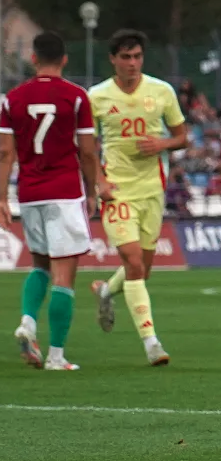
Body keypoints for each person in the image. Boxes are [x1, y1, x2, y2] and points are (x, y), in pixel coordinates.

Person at [88, 29, 189, 366]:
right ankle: (152, 343)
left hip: (152, 191)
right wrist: (99, 182)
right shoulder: (97, 97)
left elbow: (181, 136)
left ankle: (106, 291)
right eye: (126, 57)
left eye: (137, 57)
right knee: (132, 262)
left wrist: (161, 144)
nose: (132, 63)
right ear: (113, 59)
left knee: (141, 271)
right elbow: (85, 147)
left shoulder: (161, 91)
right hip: (117, 192)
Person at [0, 31, 99, 371]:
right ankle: (56, 356)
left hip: (28, 194)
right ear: (65, 59)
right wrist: (94, 189)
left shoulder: (11, 99)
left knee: (40, 263)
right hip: (64, 192)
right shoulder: (76, 97)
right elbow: (87, 151)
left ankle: (28, 322)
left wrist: (1, 196)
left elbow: (4, 152)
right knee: (64, 274)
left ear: (33, 59)